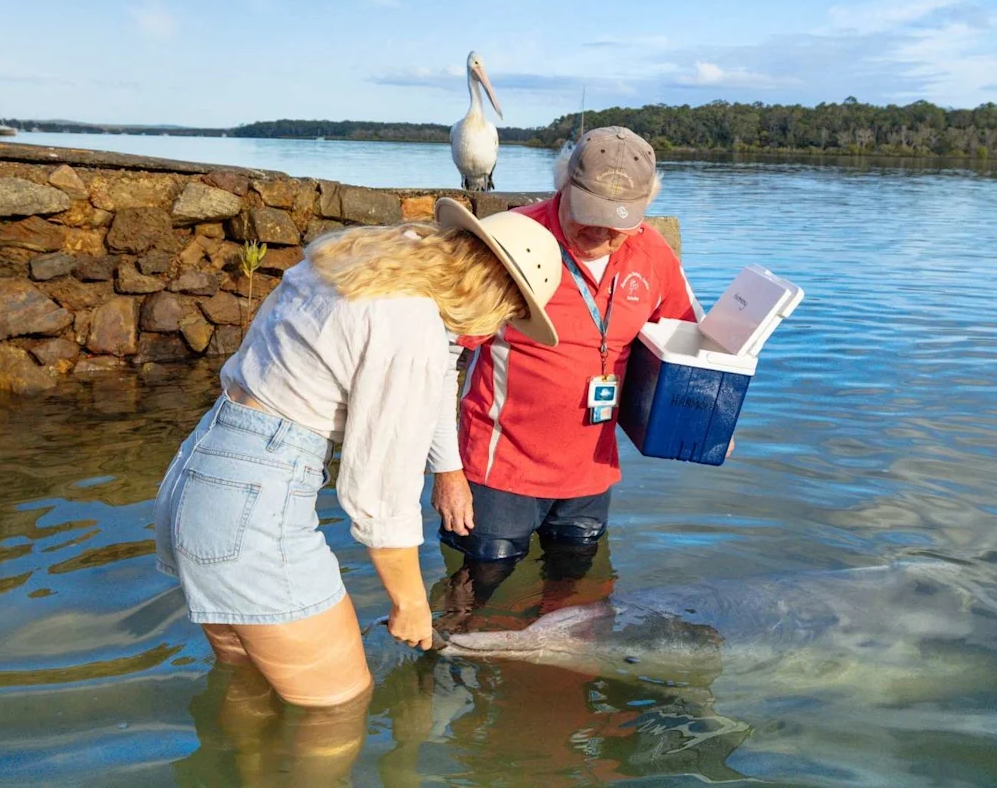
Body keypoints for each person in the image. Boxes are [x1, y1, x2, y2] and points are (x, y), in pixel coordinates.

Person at [153, 198, 562, 709]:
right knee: (339, 711)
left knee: (248, 685)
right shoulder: (410, 324)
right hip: (254, 508)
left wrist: (448, 468)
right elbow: (379, 493)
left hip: (197, 475)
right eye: (510, 313)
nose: (500, 329)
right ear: (492, 291)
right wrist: (411, 604)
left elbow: (435, 370)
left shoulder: (359, 263)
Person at [432, 126, 702, 608]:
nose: (600, 233)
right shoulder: (510, 241)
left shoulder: (653, 253)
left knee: (578, 610)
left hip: (590, 475)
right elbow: (437, 359)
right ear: (563, 186)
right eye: (589, 215)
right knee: (475, 605)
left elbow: (686, 344)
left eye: (617, 223)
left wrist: (707, 412)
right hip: (498, 473)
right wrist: (446, 471)